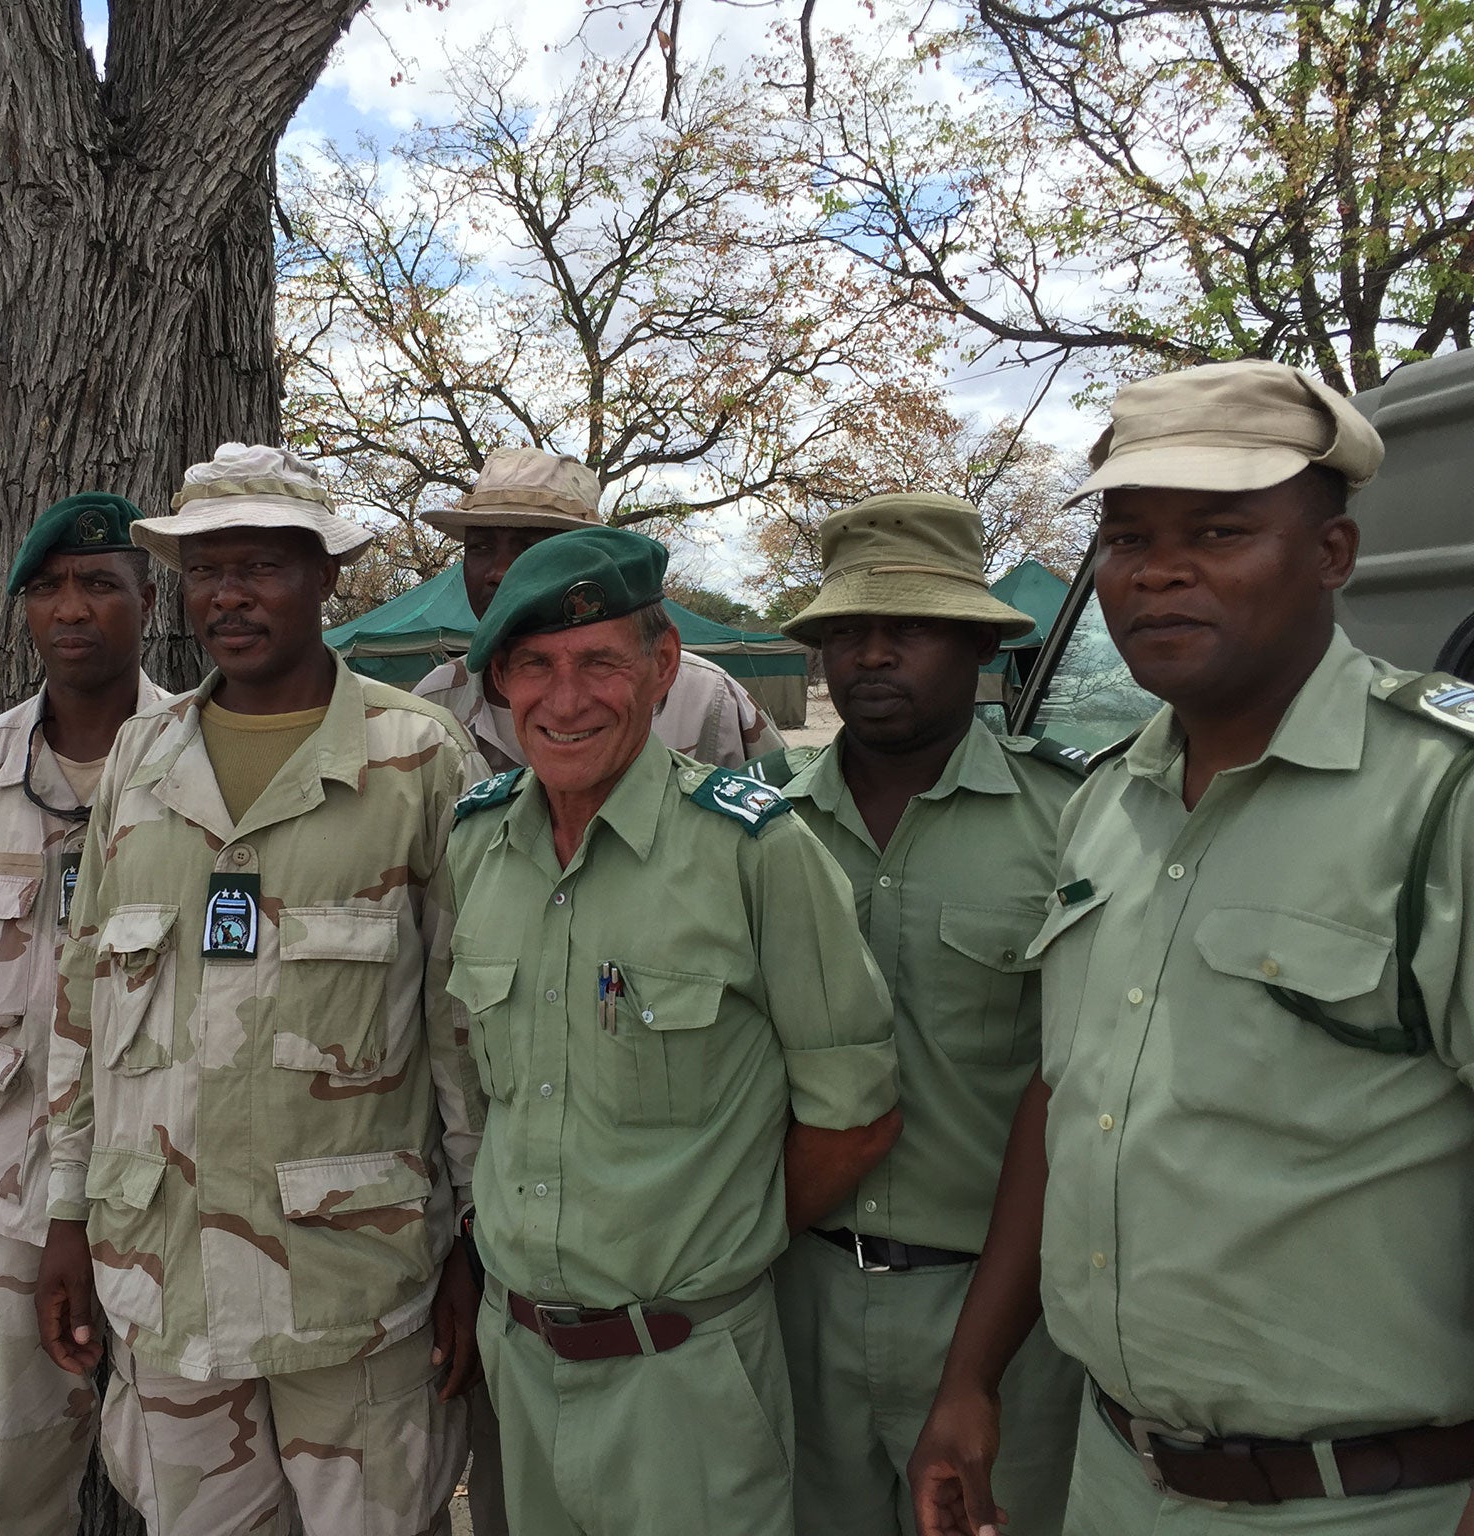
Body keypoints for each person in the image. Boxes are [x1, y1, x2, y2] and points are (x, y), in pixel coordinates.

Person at [907, 360, 1474, 1536]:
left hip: (1374, 1499)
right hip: (1119, 1476)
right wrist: (970, 1377)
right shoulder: (1105, 801)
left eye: (1217, 531)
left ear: (1331, 554)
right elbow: (1065, 1099)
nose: (1155, 571)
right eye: (1123, 538)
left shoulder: (1440, 802)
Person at [34, 443, 488, 1536]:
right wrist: (62, 1221)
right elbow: (82, 1004)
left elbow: (468, 1029)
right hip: (165, 1273)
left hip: (355, 1288)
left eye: (262, 567)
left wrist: (475, 1245)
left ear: (325, 577)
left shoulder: (416, 759)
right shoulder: (139, 764)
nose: (228, 596)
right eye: (202, 570)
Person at [442, 523, 901, 1536]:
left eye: (598, 663)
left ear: (661, 669)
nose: (564, 701)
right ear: (500, 686)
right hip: (517, 1362)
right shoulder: (475, 845)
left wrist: (716, 1243)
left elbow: (854, 1118)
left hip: (688, 1377)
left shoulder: (753, 851)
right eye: (533, 668)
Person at [747, 494, 1083, 1536]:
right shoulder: (758, 825)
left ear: (980, 643)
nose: (871, 656)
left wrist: (981, 1360)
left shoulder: (1070, 821)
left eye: (909, 629)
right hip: (795, 1292)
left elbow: (1077, 1087)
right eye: (844, 632)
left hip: (1001, 1310)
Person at [0, 492, 164, 1536]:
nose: (73, 608)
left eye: (100, 583)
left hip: (168, 1188)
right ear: (19, 612)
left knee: (193, 1477)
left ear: (148, 600)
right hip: (11, 1193)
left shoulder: (199, 758)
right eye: (48, 587)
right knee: (14, 1476)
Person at [417, 447, 786, 772]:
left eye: (531, 548)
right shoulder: (430, 709)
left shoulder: (704, 699)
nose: (499, 571)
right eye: (480, 548)